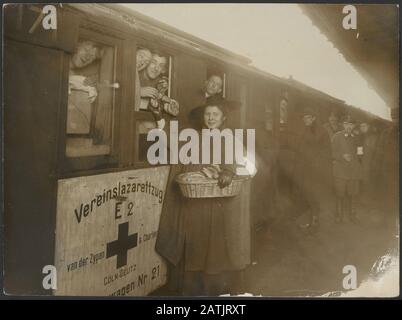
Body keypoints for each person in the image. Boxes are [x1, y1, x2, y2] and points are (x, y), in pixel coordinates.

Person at [155, 97, 252, 296]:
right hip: (193, 205)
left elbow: (248, 167)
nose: (210, 118)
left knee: (214, 250)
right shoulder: (193, 137)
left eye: (215, 114)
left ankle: (214, 291)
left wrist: (230, 171)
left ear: (223, 117)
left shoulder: (231, 139)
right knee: (194, 247)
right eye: (207, 114)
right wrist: (159, 117)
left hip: (217, 206)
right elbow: (171, 145)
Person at [293, 107, 332, 233]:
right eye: (304, 118)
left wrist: (316, 165)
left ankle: (315, 222)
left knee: (314, 195)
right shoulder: (305, 130)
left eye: (308, 118)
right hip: (305, 169)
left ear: (314, 118)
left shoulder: (322, 131)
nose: (305, 120)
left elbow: (326, 152)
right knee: (308, 195)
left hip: (316, 170)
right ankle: (311, 221)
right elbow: (300, 149)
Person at [67, 40, 104, 134]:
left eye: (92, 57)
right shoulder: (57, 61)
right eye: (86, 50)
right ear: (77, 46)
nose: (87, 57)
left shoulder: (78, 76)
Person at [331, 115, 362, 223]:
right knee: (340, 194)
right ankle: (338, 215)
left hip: (353, 171)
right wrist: (342, 156)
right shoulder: (336, 137)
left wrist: (358, 157)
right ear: (343, 125)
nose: (349, 126)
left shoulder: (357, 138)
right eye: (346, 124)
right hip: (340, 171)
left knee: (353, 194)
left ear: (354, 126)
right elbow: (331, 153)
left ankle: (352, 215)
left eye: (351, 124)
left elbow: (360, 153)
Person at [358, 121, 378, 201]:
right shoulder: (361, 136)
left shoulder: (373, 136)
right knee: (363, 179)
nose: (362, 128)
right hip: (362, 161)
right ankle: (365, 197)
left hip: (370, 161)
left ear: (368, 126)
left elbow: (373, 150)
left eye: (364, 126)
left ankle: (370, 198)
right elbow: (359, 149)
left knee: (368, 179)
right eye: (361, 126)